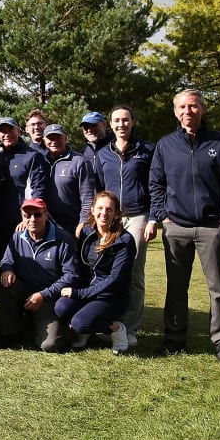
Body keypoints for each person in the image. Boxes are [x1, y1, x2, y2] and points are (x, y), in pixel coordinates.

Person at [147, 88, 220, 362]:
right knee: (176, 287)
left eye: (193, 106)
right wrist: (164, 216)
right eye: (182, 108)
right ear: (175, 112)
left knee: (219, 288)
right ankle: (174, 339)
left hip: (212, 226)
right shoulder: (166, 145)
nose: (188, 112)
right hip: (176, 226)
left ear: (203, 108)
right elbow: (156, 183)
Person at [93, 105, 155, 347]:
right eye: (117, 121)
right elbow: (98, 188)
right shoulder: (103, 154)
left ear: (133, 122)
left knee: (134, 273)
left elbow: (156, 184)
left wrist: (153, 218)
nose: (121, 125)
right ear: (110, 124)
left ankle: (130, 328)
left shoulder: (147, 151)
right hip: (111, 218)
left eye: (126, 120)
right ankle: (111, 323)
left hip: (138, 215)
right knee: (110, 271)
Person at [55, 191, 136, 355]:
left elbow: (115, 279)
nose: (104, 213)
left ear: (116, 213)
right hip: (88, 290)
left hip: (111, 296)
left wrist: (79, 293)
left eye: (109, 209)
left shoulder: (125, 241)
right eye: (100, 208)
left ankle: (117, 328)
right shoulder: (86, 232)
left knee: (79, 323)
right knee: (61, 307)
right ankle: (88, 328)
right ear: (92, 210)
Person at [0, 198, 79, 352]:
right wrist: (7, 269)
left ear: (46, 215)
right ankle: (11, 332)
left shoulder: (63, 240)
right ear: (22, 216)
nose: (32, 219)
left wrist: (43, 295)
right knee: (4, 284)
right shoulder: (17, 237)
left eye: (37, 215)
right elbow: (7, 260)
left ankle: (38, 325)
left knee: (50, 345)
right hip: (24, 292)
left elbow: (71, 276)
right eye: (27, 215)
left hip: (49, 298)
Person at [0, 117, 47, 262]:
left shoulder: (32, 156)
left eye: (11, 129)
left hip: (22, 223)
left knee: (24, 265)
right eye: (2, 131)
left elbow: (37, 190)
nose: (7, 134)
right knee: (1, 263)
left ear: (18, 131)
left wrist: (27, 217)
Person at [42, 124, 95, 238]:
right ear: (44, 140)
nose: (54, 141)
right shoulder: (40, 162)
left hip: (72, 227)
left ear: (65, 138)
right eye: (50, 138)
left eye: (58, 137)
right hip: (45, 227)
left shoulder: (80, 162)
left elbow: (88, 197)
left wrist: (83, 223)